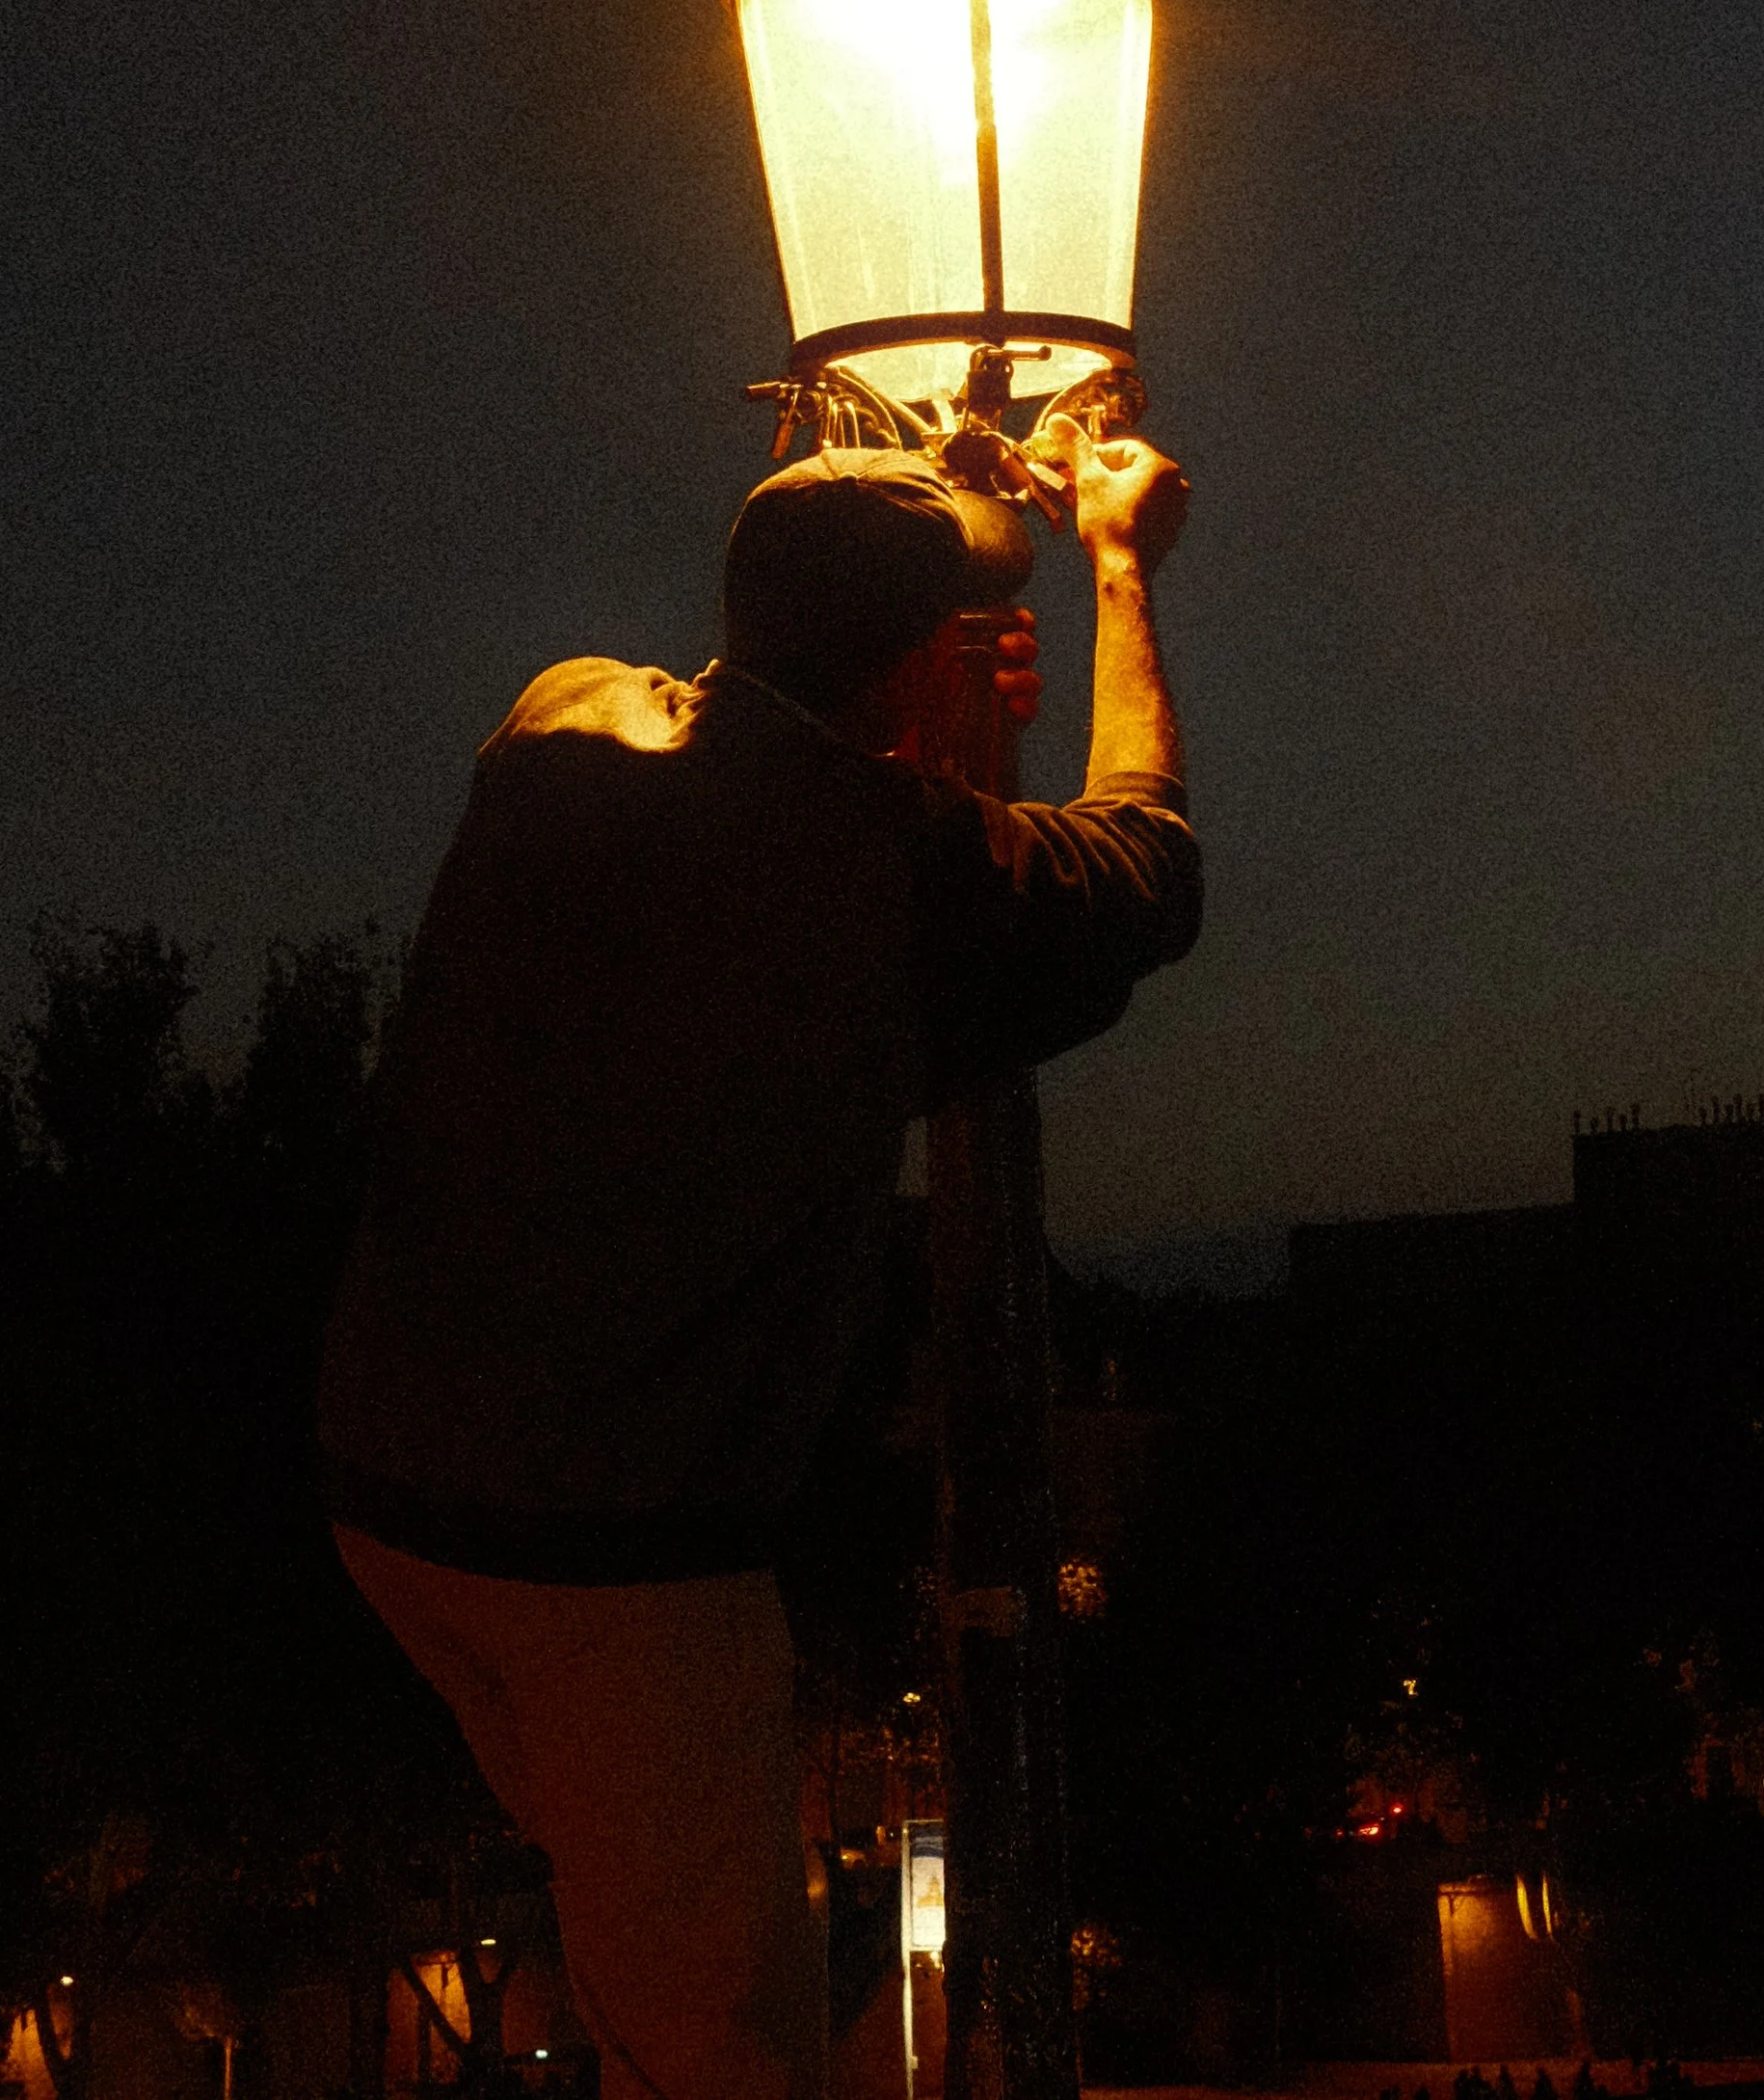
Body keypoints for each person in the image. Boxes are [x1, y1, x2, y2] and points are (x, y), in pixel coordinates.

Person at [318, 419, 1198, 2100]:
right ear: (911, 672)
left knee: (622, 1946)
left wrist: (939, 628)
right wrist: (1117, 560)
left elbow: (785, 782)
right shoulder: (895, 884)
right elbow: (1148, 858)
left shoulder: (558, 718)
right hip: (612, 1569)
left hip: (386, 1485)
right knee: (734, 2050)